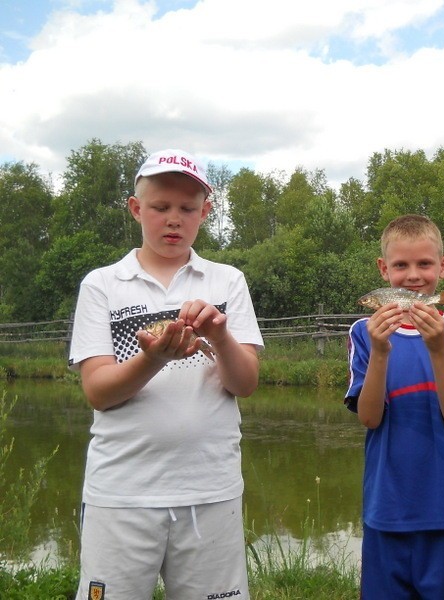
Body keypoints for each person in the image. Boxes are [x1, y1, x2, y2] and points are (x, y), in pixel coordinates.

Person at [68, 149, 263, 600]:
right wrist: (154, 358)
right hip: (121, 493)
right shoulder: (102, 284)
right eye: (160, 208)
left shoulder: (227, 281)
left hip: (211, 489)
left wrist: (219, 335)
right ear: (137, 209)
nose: (173, 219)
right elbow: (98, 391)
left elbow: (246, 383)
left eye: (187, 209)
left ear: (205, 213)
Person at [345, 214, 444, 599]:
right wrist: (380, 352)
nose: (413, 275)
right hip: (385, 511)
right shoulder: (364, 333)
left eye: (424, 263)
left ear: (442, 267)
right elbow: (369, 417)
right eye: (400, 265)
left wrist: (437, 349)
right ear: (384, 270)